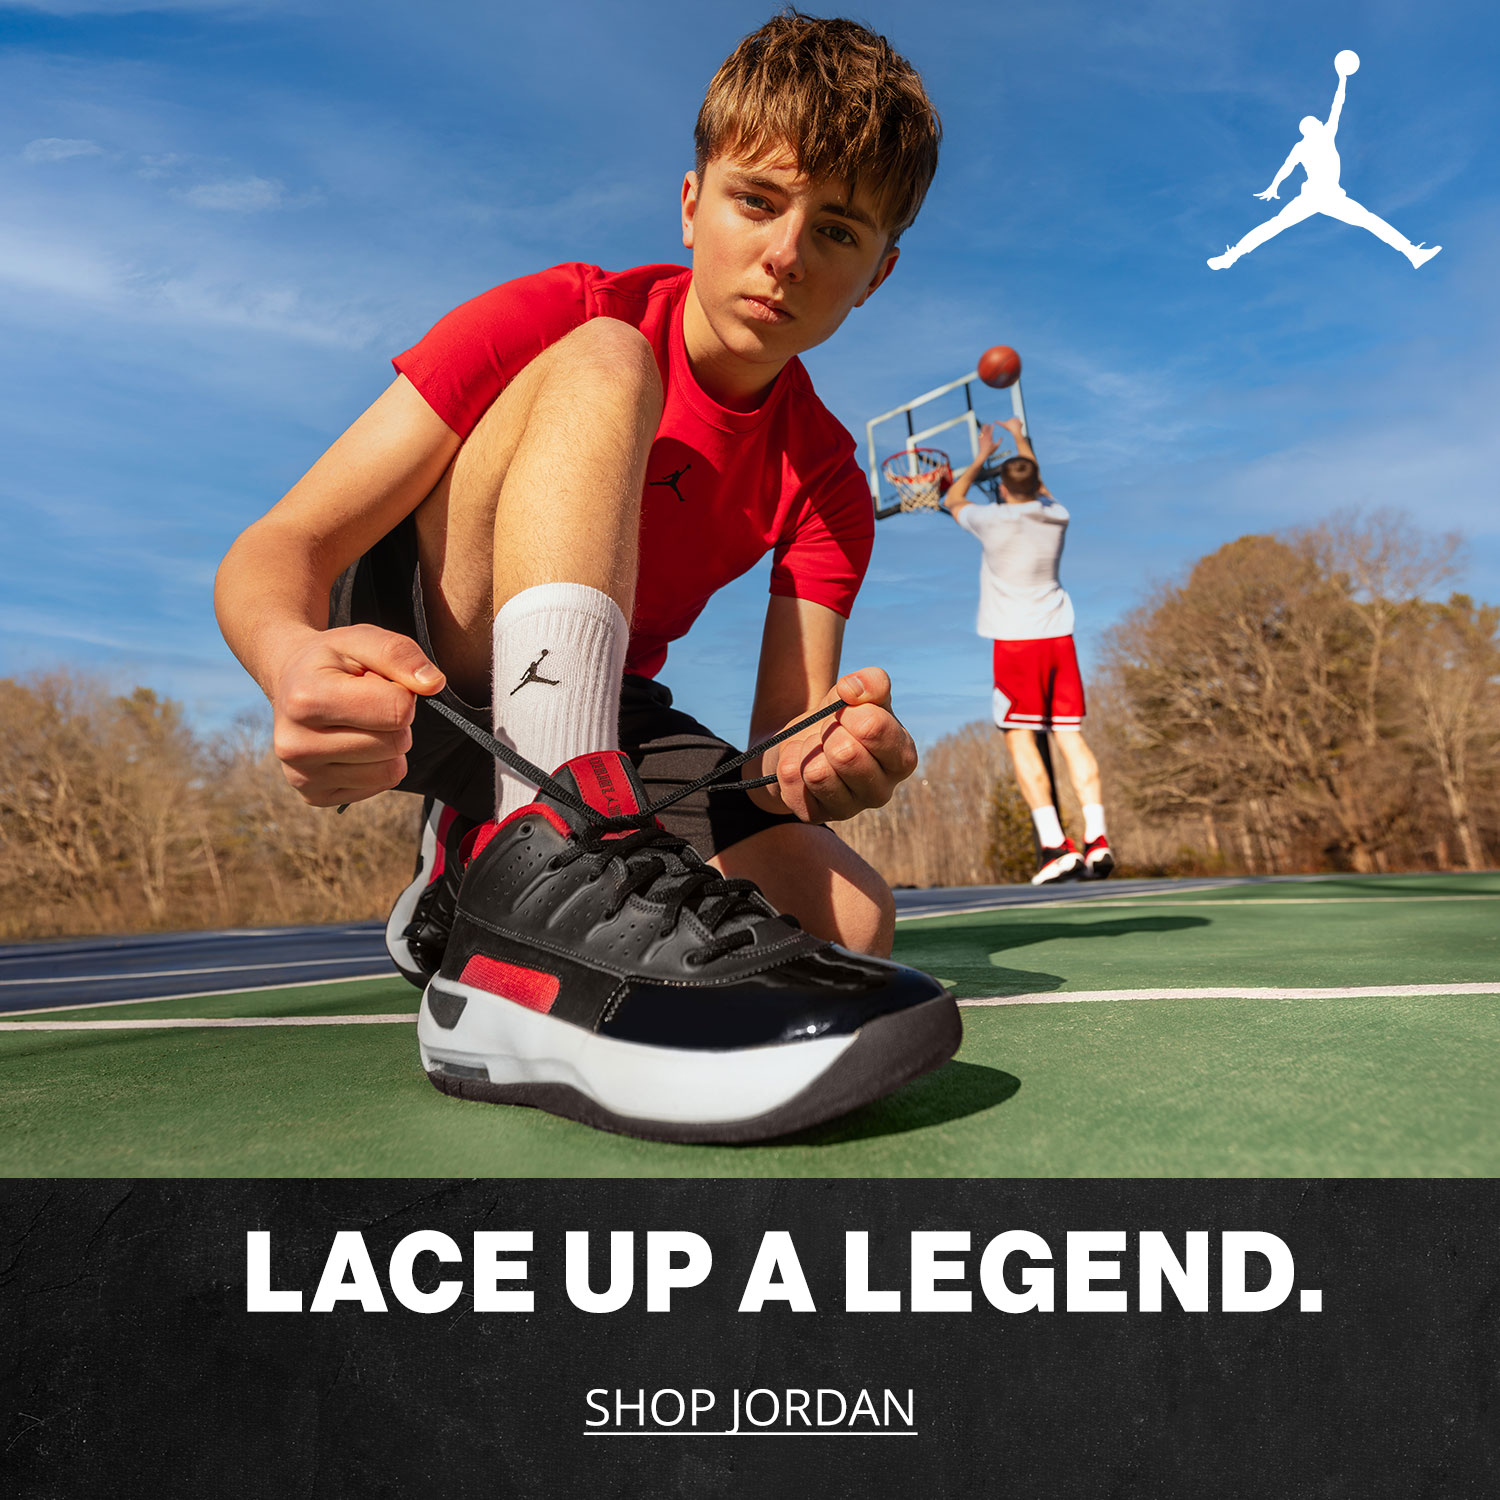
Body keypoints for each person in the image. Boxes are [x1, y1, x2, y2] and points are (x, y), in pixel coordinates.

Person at [214, 13, 960, 1143]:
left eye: (840, 229)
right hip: (437, 657)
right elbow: (280, 547)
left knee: (847, 923)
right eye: (758, 201)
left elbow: (778, 753)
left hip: (604, 705)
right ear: (692, 203)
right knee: (616, 362)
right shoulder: (565, 312)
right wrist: (288, 655)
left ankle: (485, 874)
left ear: (878, 274)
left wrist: (828, 759)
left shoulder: (828, 482)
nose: (788, 254)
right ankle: (545, 871)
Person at [942, 419, 1114, 884]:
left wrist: (980, 455)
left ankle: (1056, 846)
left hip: (1016, 646)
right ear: (1037, 483)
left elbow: (952, 499)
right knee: (1070, 737)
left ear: (1002, 489)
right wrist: (1021, 441)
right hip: (1060, 640)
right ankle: (1097, 839)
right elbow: (1040, 486)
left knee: (1020, 739)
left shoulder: (990, 520)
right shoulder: (1058, 516)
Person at [1207, 52, 1440, 270]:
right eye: (1315, 122)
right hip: (1316, 196)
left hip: (1328, 196)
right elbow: (1334, 108)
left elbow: (1335, 107)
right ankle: (1231, 256)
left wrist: (1274, 186)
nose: (1320, 122)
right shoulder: (1316, 139)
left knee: (1282, 225)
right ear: (1310, 128)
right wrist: (1342, 78)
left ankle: (1412, 253)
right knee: (1281, 225)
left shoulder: (1314, 139)